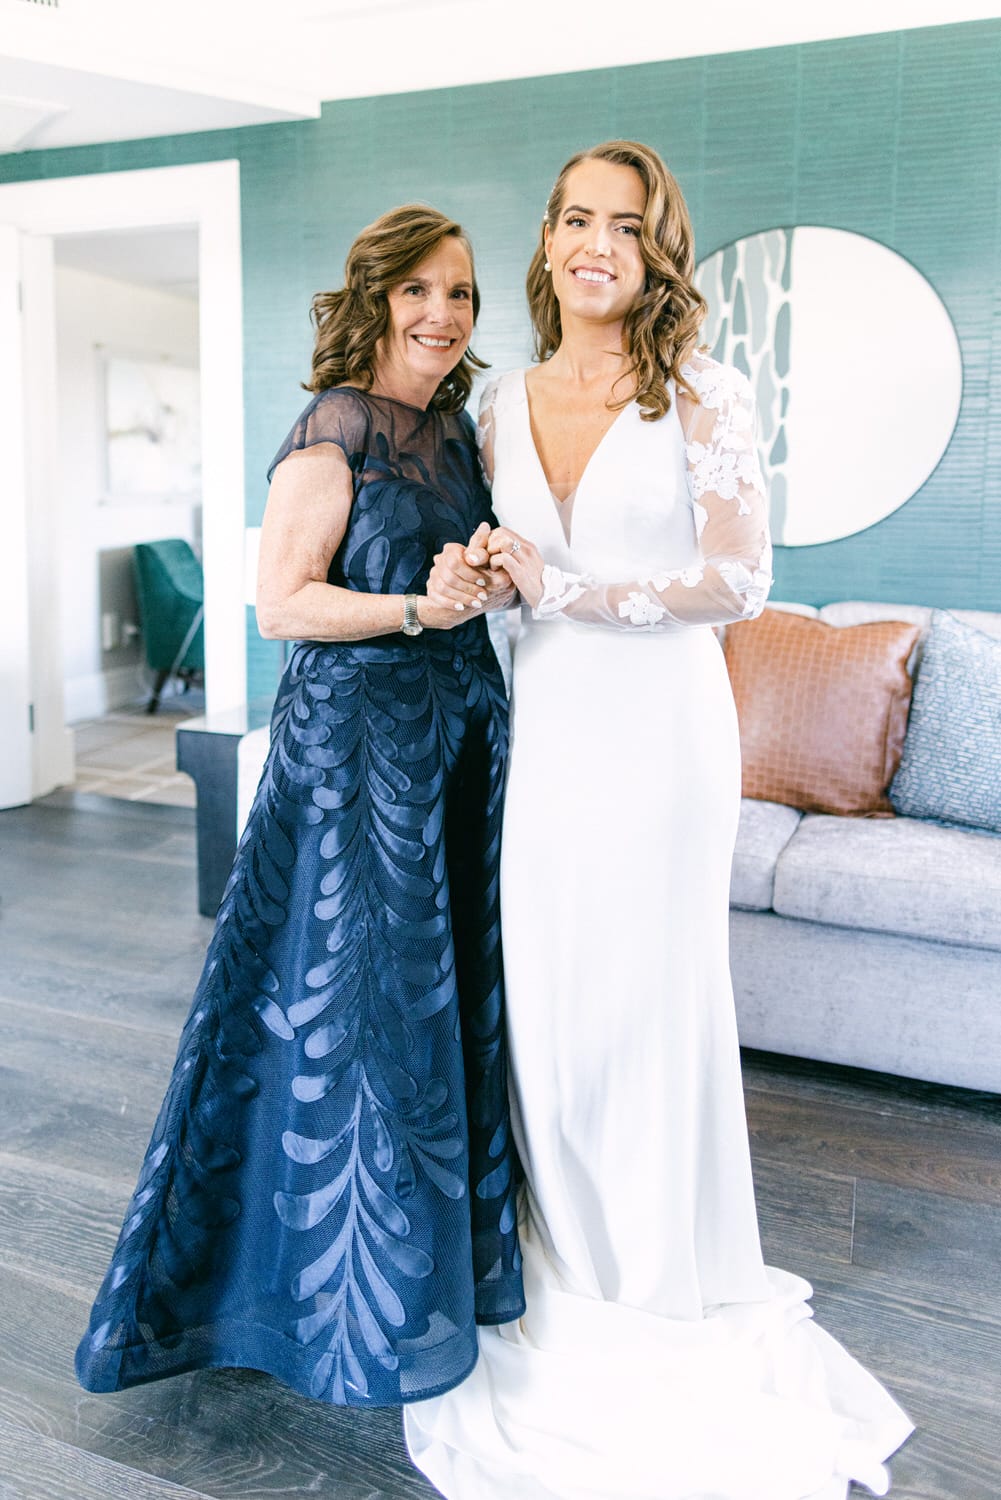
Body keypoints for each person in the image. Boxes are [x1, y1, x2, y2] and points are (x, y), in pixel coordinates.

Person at [407, 142, 913, 1498]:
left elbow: (741, 578)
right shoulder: (499, 402)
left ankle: (653, 1269)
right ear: (550, 239)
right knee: (557, 1003)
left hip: (663, 734)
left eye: (624, 227)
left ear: (653, 253)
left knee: (646, 1002)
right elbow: (502, 575)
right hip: (551, 730)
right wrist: (490, 575)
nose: (595, 244)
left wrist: (566, 590)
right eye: (576, 218)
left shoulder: (697, 388)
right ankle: (558, 1260)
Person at [75, 204, 525, 1410]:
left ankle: (435, 1280)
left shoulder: (453, 433)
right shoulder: (334, 427)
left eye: (463, 294)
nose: (442, 314)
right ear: (373, 297)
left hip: (449, 749)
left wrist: (466, 583)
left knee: (435, 1016)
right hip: (358, 760)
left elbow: (439, 574)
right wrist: (418, 613)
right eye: (418, 291)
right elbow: (283, 604)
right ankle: (333, 1312)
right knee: (355, 1020)